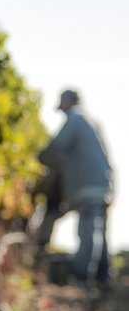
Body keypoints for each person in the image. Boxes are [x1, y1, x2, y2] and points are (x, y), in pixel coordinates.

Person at [38, 89, 113, 288]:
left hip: (88, 187)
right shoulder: (92, 121)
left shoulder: (76, 119)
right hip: (103, 184)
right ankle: (103, 278)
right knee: (99, 233)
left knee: (88, 232)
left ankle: (81, 278)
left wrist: (39, 158)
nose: (61, 110)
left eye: (62, 104)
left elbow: (56, 148)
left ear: (69, 101)